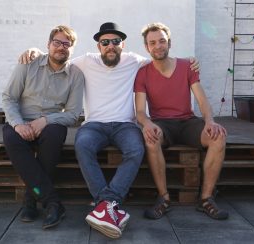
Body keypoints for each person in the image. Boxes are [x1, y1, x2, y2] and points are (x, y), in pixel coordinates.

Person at [18, 22, 199, 238]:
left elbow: (161, 59)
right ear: (98, 46)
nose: (110, 46)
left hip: (125, 124)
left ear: (123, 44)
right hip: (94, 125)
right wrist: (37, 51)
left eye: (115, 41)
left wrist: (188, 61)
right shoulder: (85, 61)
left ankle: (105, 203)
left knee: (136, 149)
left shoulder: (135, 61)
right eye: (105, 42)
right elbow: (59, 60)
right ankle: (109, 204)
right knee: (82, 145)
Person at [134, 22, 228, 220]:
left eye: (162, 41)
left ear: (169, 43)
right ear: (146, 47)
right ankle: (164, 198)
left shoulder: (187, 66)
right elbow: (140, 111)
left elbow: (201, 99)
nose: (158, 46)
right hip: (162, 124)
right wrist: (148, 123)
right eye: (152, 43)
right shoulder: (142, 73)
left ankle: (206, 199)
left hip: (187, 122)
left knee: (218, 136)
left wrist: (210, 121)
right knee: (150, 138)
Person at [2, 25, 84, 229]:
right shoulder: (28, 64)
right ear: (48, 44)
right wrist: (19, 124)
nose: (61, 47)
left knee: (54, 136)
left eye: (67, 44)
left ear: (72, 49)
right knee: (12, 138)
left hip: (51, 123)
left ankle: (30, 200)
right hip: (22, 120)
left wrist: (45, 121)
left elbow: (73, 114)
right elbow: (9, 97)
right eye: (57, 42)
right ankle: (52, 202)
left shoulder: (76, 75)